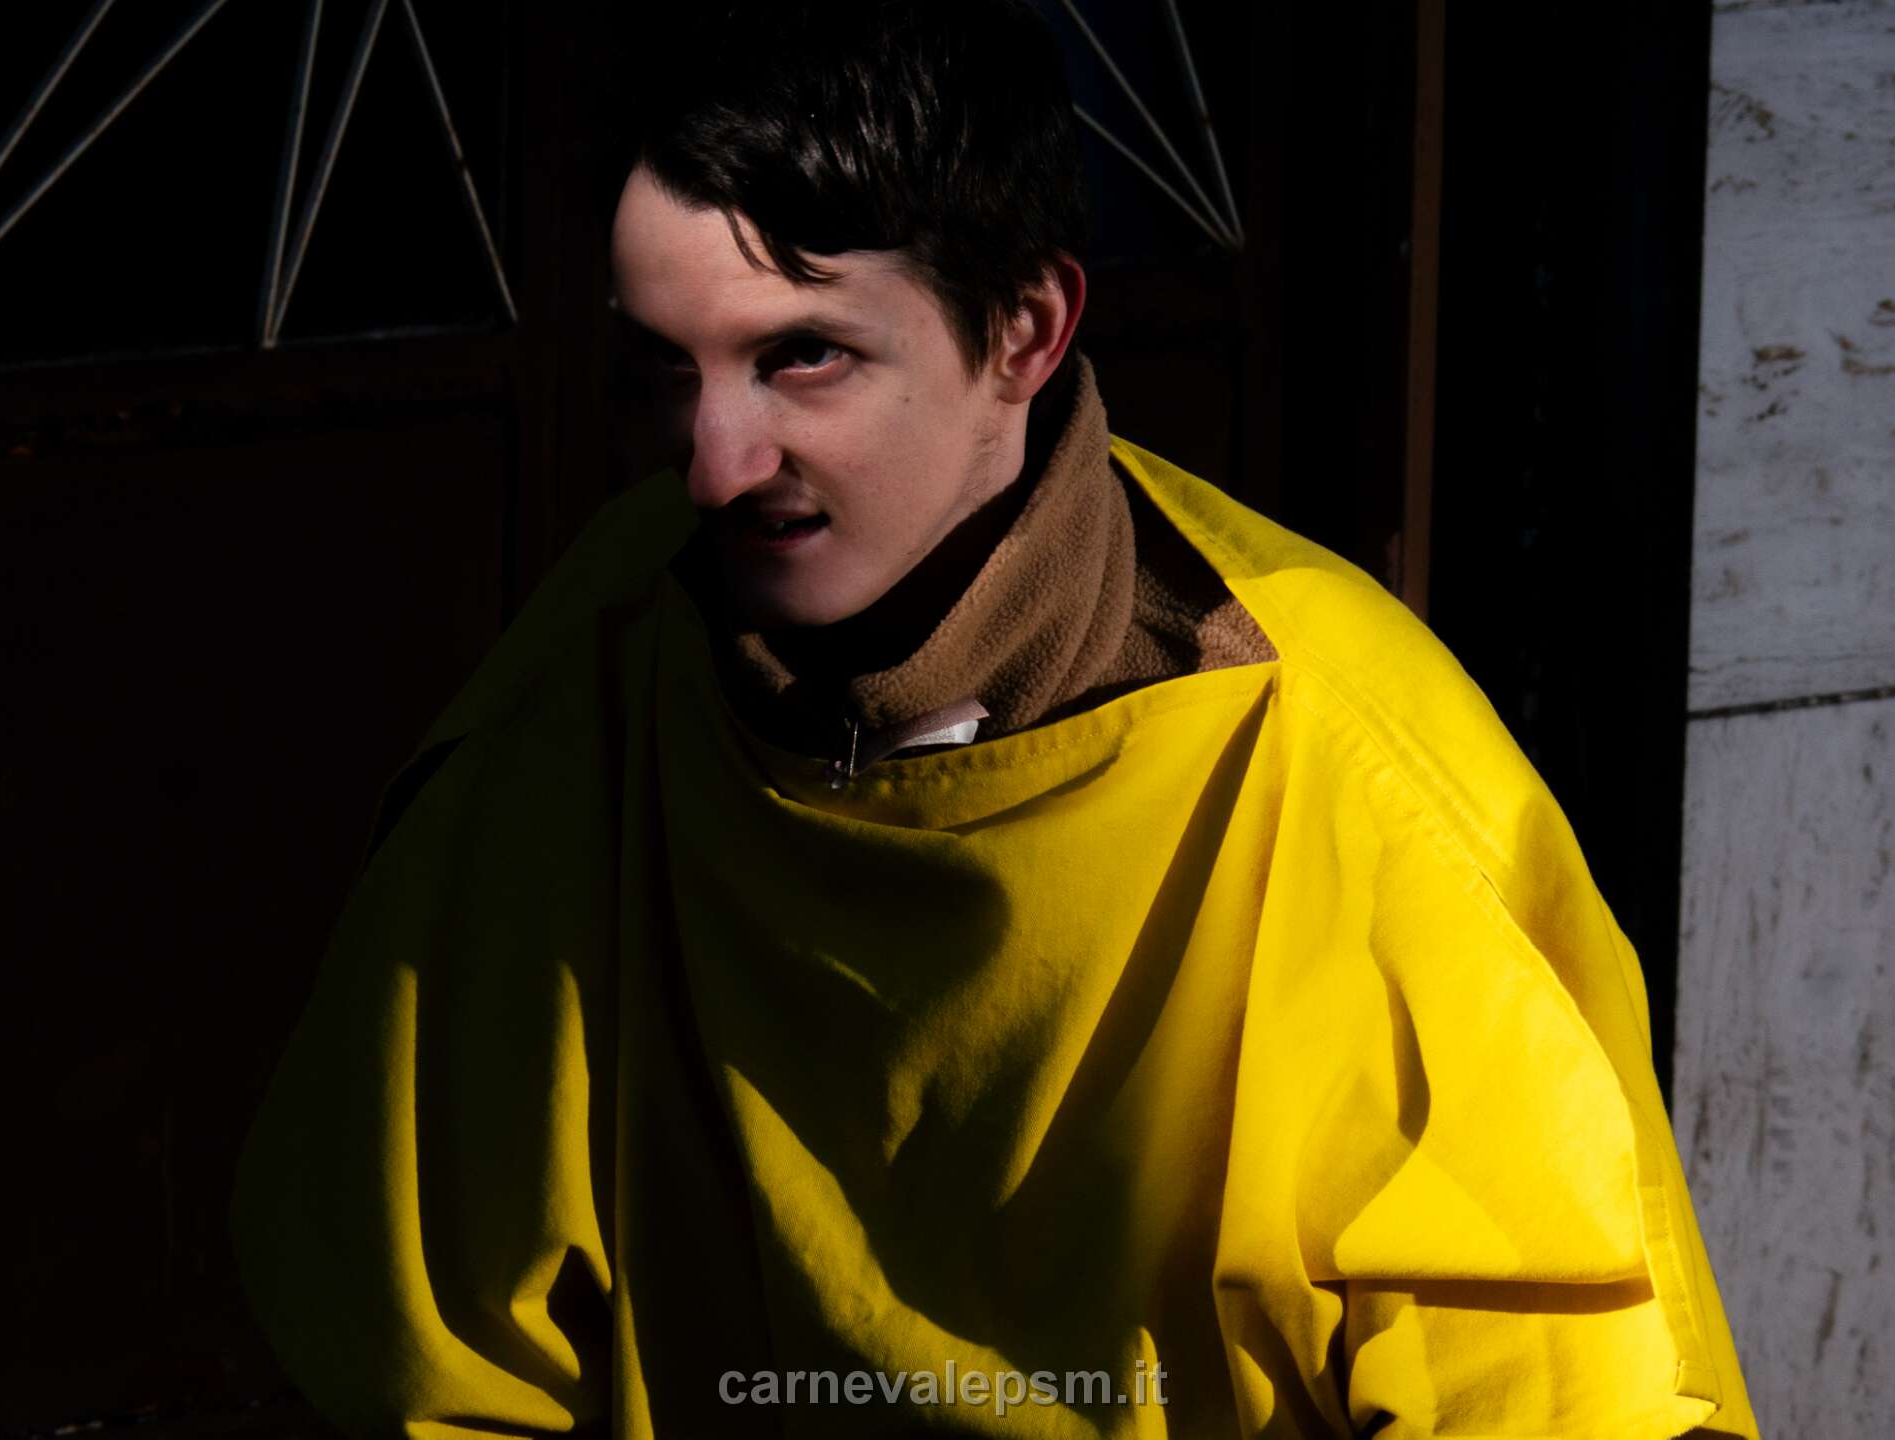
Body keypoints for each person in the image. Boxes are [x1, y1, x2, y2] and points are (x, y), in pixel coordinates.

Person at [231, 2, 1760, 1435]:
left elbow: (1565, 1388)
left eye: (801, 356)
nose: (710, 462)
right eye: (664, 369)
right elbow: (411, 1348)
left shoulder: (1347, 771)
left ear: (1026, 330)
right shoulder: (581, 685)